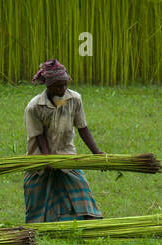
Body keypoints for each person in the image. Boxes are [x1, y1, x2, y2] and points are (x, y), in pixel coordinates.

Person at [22, 59, 104, 223]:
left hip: (66, 156)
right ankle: (39, 227)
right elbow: (39, 135)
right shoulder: (34, 107)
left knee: (80, 188)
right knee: (37, 199)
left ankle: (87, 223)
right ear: (48, 86)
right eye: (59, 86)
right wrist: (48, 159)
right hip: (40, 159)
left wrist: (97, 153)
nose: (63, 89)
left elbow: (82, 128)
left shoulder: (74, 99)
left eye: (65, 84)